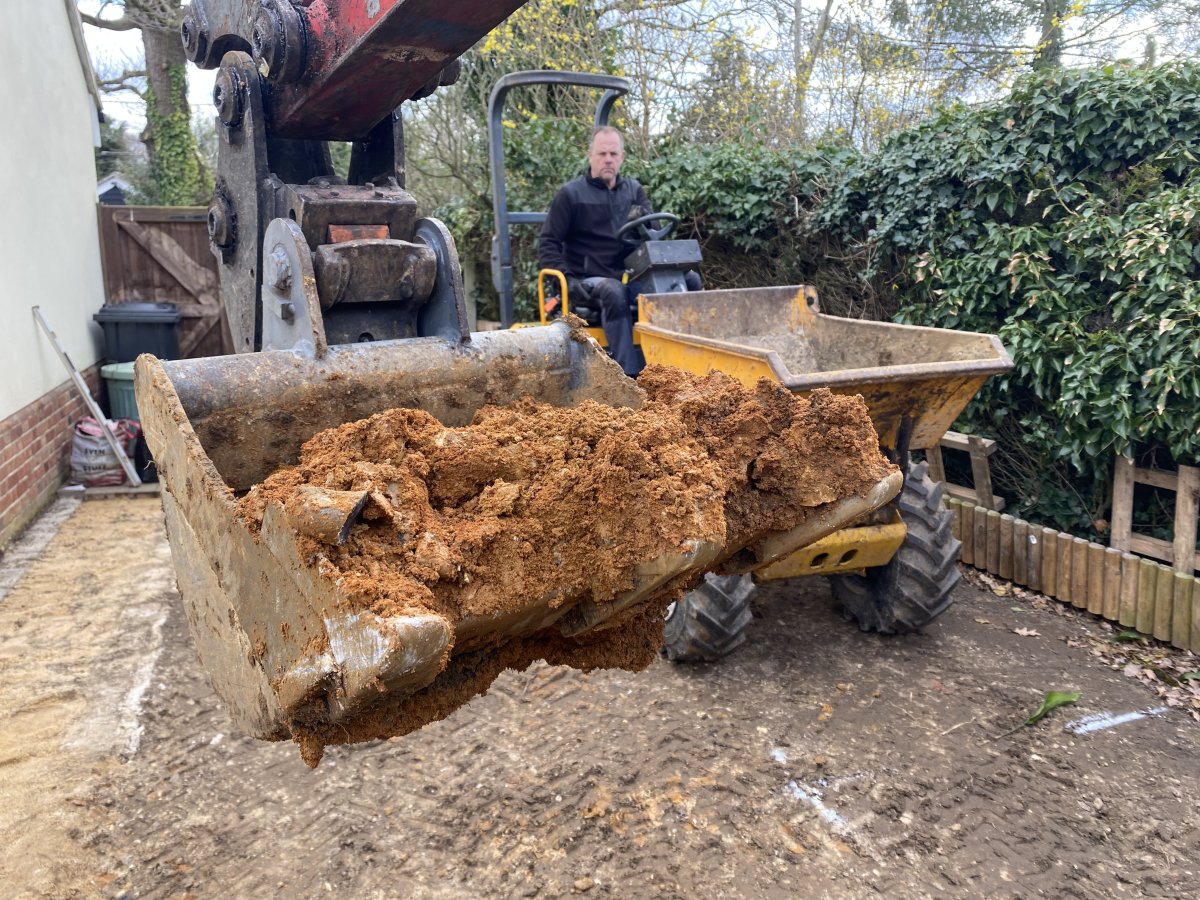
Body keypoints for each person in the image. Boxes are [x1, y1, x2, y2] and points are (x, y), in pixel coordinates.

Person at [538, 126, 698, 376]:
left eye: (613, 154)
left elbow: (654, 234)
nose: (608, 159)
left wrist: (644, 221)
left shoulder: (633, 191)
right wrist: (567, 279)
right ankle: (629, 375)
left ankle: (687, 365)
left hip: (628, 277)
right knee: (613, 290)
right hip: (588, 281)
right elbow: (548, 243)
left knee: (688, 280)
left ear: (622, 157)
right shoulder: (571, 195)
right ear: (590, 156)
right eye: (602, 154)